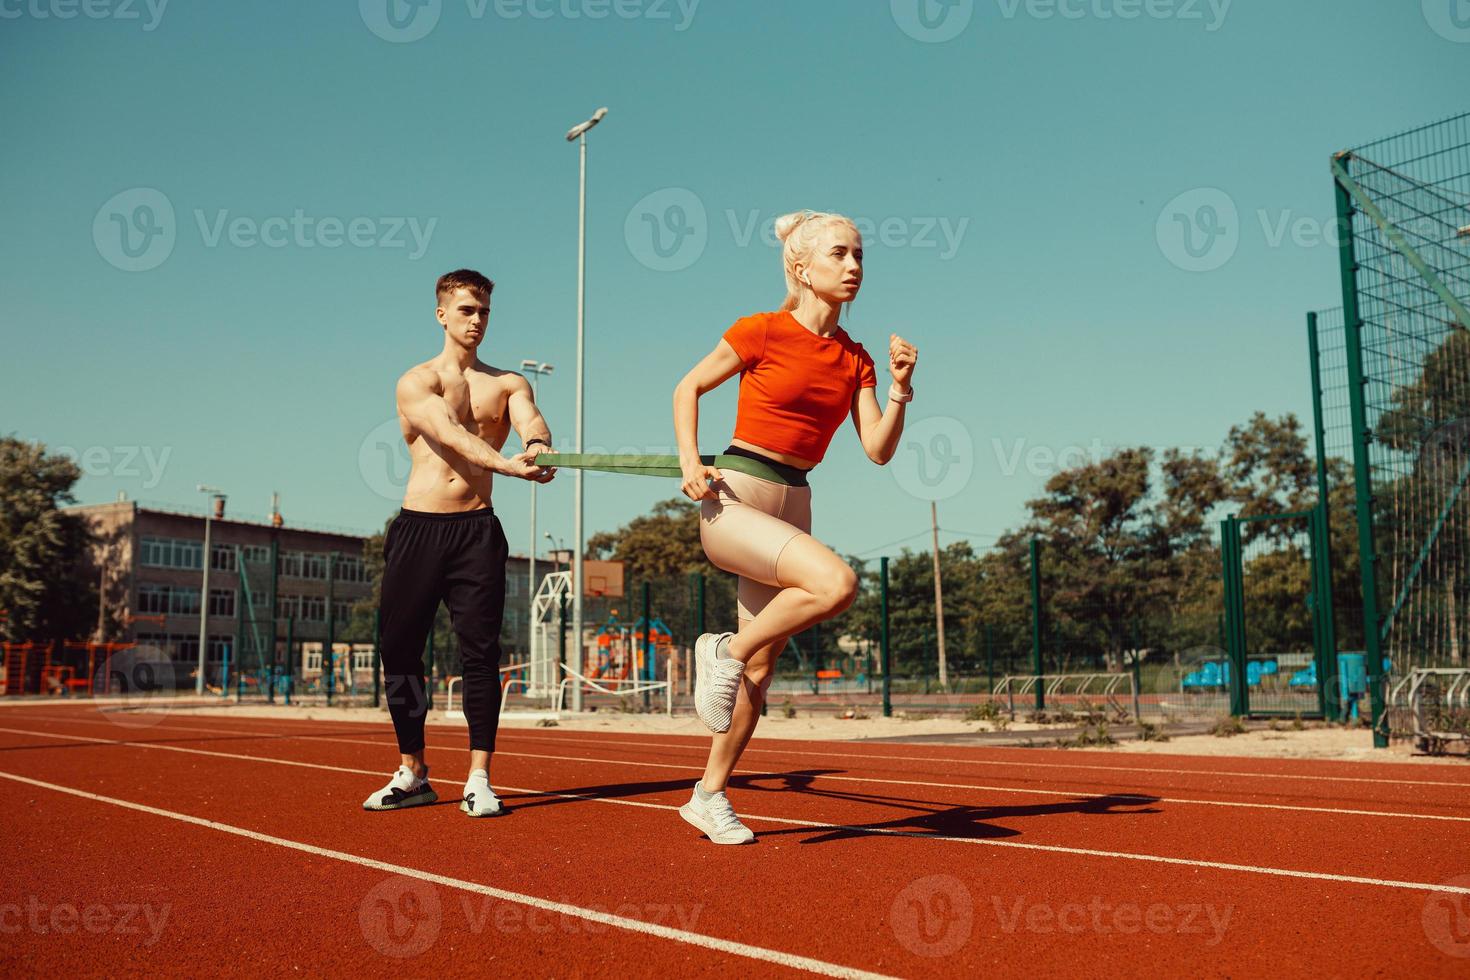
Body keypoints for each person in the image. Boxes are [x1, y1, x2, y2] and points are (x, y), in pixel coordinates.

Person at [671, 210, 918, 843]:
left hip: (794, 503)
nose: (855, 266)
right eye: (840, 254)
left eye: (860, 255)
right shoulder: (762, 330)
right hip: (735, 500)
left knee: (759, 675)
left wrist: (898, 388)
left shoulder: (856, 358)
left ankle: (708, 795)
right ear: (802, 268)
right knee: (836, 583)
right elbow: (688, 387)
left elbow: (879, 450)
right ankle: (720, 650)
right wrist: (690, 462)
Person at [362, 268, 556, 817]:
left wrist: (538, 446)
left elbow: (531, 422)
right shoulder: (415, 381)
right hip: (418, 529)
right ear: (442, 314)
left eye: (485, 312)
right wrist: (508, 466)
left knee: (480, 655)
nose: (477, 321)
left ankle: (479, 777)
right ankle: (413, 770)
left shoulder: (510, 382)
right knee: (399, 651)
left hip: (477, 531)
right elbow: (448, 433)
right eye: (467, 310)